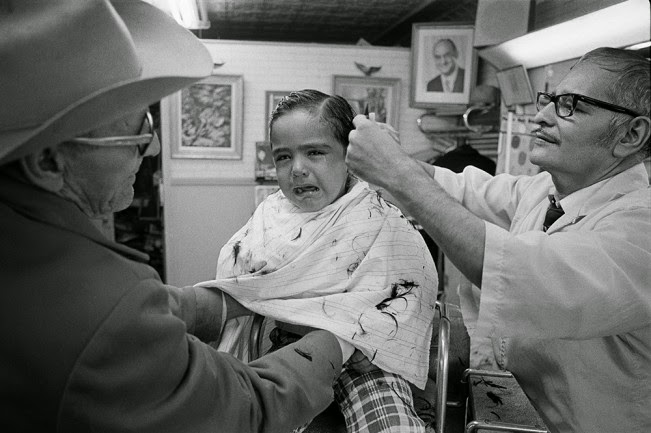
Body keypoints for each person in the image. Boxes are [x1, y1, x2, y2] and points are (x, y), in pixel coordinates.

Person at [0, 2, 353, 432]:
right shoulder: (100, 307)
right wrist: (336, 336)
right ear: (48, 162)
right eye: (137, 132)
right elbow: (243, 410)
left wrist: (231, 298)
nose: (151, 148)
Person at [346, 47, 651, 433]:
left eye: (571, 105)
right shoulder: (545, 189)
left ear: (631, 134)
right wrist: (389, 161)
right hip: (518, 407)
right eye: (550, 99)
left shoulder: (639, 230)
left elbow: (517, 271)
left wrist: (395, 170)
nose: (541, 116)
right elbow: (463, 190)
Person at [197, 90, 438, 433]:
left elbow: (415, 288)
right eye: (283, 157)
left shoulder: (380, 217)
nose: (297, 169)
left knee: (393, 426)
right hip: (293, 352)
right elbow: (241, 283)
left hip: (370, 361)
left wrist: (365, 336)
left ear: (349, 156)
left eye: (314, 153)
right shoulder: (268, 220)